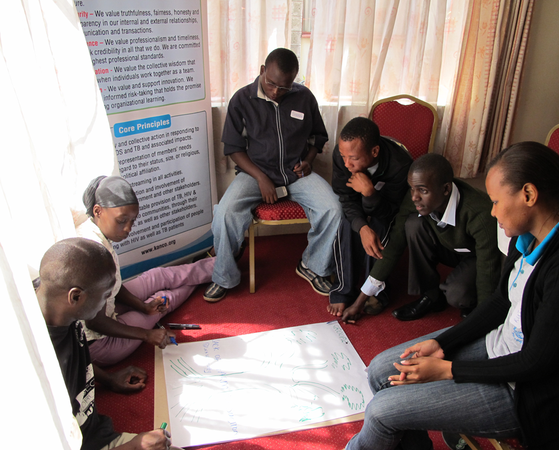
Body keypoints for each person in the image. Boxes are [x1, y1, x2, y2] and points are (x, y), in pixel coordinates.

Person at [343, 142, 559, 450]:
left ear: (528, 195)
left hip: (527, 394)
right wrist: (443, 344)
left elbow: (536, 362)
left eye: (495, 201)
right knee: (382, 370)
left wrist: (448, 370)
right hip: (500, 349)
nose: (491, 210)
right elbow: (499, 303)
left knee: (381, 412)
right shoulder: (528, 237)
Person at [204, 47, 343, 302]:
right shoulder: (242, 100)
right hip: (255, 172)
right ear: (262, 71)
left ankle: (313, 266)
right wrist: (260, 177)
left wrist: (309, 161)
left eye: (284, 87)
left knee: (334, 208)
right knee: (225, 213)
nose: (276, 91)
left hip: (296, 173)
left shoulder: (303, 97)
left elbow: (318, 137)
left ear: (294, 82)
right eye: (271, 84)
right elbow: (234, 149)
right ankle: (224, 276)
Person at [37, 237, 182, 450]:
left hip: (95, 430)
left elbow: (74, 360)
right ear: (76, 296)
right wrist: (134, 447)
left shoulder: (54, 303)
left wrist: (109, 379)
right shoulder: (36, 367)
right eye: (105, 296)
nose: (108, 303)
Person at [342, 153, 502, 323]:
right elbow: (395, 244)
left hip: (478, 257)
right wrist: (360, 301)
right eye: (412, 188)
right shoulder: (417, 198)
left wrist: (483, 318)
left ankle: (470, 302)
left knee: (457, 295)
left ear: (446, 189)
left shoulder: (481, 214)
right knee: (413, 224)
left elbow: (488, 270)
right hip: (451, 248)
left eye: (423, 191)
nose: (414, 197)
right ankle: (431, 296)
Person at [76, 175, 214, 366]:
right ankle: (205, 276)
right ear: (98, 211)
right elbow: (94, 323)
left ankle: (218, 266)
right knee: (164, 300)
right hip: (99, 341)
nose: (127, 229)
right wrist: (148, 335)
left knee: (158, 276)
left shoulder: (93, 231)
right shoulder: (92, 252)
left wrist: (142, 306)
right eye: (122, 220)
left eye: (132, 221)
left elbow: (112, 285)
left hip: (107, 307)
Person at [328, 117, 412, 317]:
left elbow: (390, 211)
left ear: (374, 152)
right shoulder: (343, 156)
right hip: (355, 200)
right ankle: (344, 288)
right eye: (343, 155)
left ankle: (376, 290)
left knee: (380, 226)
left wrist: (369, 194)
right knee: (346, 222)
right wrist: (362, 227)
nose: (346, 163)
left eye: (353, 158)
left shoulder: (401, 165)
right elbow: (346, 199)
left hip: (386, 206)